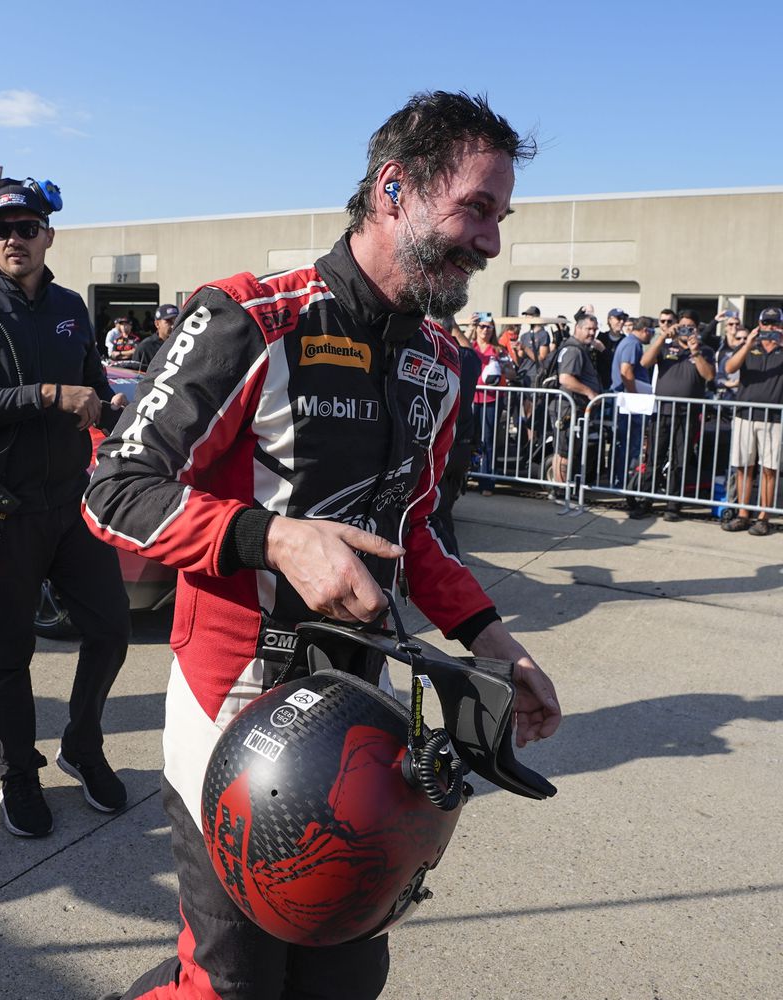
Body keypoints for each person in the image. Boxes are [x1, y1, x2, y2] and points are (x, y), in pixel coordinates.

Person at [83, 91, 561, 1000]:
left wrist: (498, 645)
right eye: (476, 210)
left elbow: (413, 530)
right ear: (394, 189)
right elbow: (113, 490)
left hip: (362, 699)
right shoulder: (249, 316)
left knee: (346, 968)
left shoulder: (440, 361)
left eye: (500, 216)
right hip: (236, 697)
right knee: (232, 979)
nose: (493, 243)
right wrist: (274, 540)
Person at [0, 177, 130, 839]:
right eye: (1, 229)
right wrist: (46, 394)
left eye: (26, 226)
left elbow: (95, 386)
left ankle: (82, 744)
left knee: (111, 629)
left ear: (48, 234)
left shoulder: (72, 305)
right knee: (6, 655)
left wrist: (121, 406)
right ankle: (19, 770)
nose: (14, 239)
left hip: (72, 506)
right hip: (2, 512)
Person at [638, 309, 716, 520]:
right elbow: (644, 362)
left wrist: (695, 352)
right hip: (663, 411)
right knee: (654, 457)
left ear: (697, 329)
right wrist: (663, 335)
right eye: (682, 326)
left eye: (690, 327)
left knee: (679, 460)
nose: (685, 330)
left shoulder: (705, 350)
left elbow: (709, 375)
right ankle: (645, 500)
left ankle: (673, 504)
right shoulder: (665, 346)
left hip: (687, 414)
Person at [721, 307, 783, 535]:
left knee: (769, 468)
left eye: (775, 324)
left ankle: (763, 517)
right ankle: (743, 514)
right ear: (759, 324)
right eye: (766, 324)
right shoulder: (749, 347)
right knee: (743, 466)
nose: (770, 328)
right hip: (745, 416)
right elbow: (729, 368)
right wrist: (748, 342)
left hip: (773, 418)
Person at [429, 314, 482, 553]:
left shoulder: (428, 352)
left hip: (437, 448)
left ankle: (447, 560)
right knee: (444, 511)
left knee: (434, 519)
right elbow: (470, 352)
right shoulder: (466, 359)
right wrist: (456, 327)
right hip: (460, 447)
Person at [552, 314, 602, 487]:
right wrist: (590, 393)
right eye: (589, 329)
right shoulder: (574, 350)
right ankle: (560, 491)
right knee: (564, 451)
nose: (592, 333)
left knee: (568, 450)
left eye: (595, 329)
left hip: (573, 408)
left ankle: (563, 489)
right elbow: (565, 379)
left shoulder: (580, 348)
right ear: (578, 328)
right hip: (568, 408)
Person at [609, 316, 654, 490]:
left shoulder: (630, 343)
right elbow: (626, 371)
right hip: (629, 402)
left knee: (627, 443)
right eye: (652, 332)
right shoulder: (632, 344)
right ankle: (624, 481)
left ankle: (621, 480)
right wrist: (635, 396)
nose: (652, 337)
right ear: (645, 330)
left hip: (627, 399)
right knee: (630, 444)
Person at [470, 315, 503, 496]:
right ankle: (467, 476)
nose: (485, 330)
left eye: (489, 327)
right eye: (482, 326)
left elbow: (512, 372)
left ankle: (486, 481)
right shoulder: (470, 345)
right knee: (468, 438)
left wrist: (502, 366)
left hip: (490, 400)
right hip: (471, 399)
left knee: (488, 439)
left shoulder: (498, 350)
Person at [132, 303, 179, 370]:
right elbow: (136, 375)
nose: (173, 325)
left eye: (176, 321)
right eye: (169, 321)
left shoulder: (186, 344)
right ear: (157, 324)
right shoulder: (145, 347)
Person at [594, 307, 627, 390]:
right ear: (610, 320)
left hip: (618, 385)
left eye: (624, 319)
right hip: (601, 383)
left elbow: (620, 364)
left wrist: (604, 350)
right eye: (618, 318)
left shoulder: (625, 340)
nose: (622, 322)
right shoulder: (601, 337)